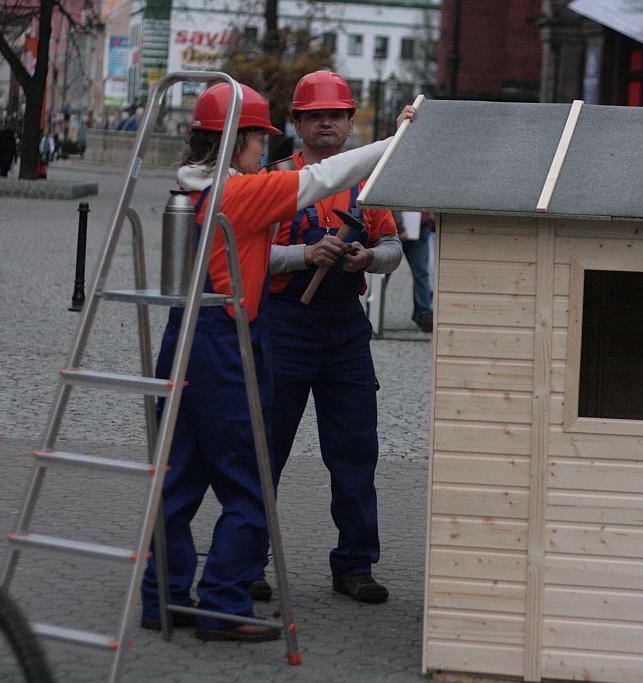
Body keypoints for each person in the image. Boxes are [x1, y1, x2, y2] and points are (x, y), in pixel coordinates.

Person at [137, 80, 415, 642]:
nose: (263, 148)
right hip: (226, 337)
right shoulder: (244, 192)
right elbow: (319, 179)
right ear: (240, 139)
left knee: (181, 475)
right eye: (257, 139)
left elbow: (384, 241)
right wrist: (398, 138)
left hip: (189, 332)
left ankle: (162, 598)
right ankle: (224, 602)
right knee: (250, 479)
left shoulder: (190, 187)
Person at [255, 70, 403, 605]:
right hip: (284, 325)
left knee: (355, 454)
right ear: (296, 122)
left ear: (349, 119)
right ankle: (247, 561)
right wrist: (304, 256)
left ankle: (355, 565)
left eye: (335, 115)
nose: (326, 123)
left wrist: (369, 258)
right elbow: (250, 256)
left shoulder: (368, 183)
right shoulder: (272, 181)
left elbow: (392, 248)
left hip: (345, 332)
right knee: (263, 451)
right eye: (315, 115)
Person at [397, 211, 435, 332]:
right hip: (399, 226)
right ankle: (424, 314)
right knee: (422, 273)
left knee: (422, 272)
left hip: (419, 225)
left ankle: (424, 314)